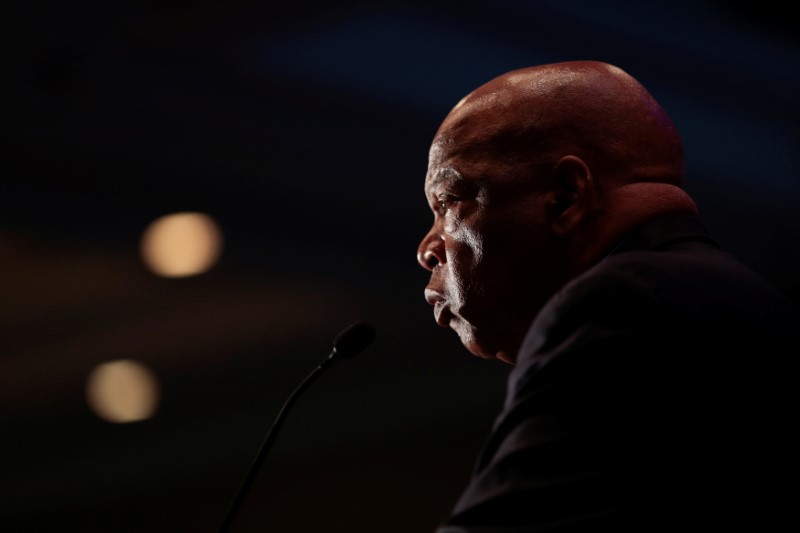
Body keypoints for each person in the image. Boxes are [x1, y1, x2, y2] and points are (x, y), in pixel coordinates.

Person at [416, 60, 797, 532]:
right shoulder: (736, 299)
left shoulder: (625, 306)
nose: (427, 249)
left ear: (566, 197)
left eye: (450, 201)